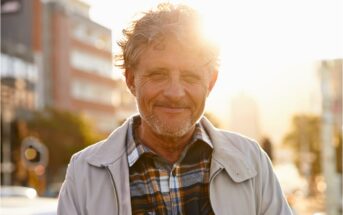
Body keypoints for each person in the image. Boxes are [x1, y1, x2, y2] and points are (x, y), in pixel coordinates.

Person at [57, 3, 292, 215]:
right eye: (158, 75)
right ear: (130, 80)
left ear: (210, 83)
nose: (175, 92)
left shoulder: (252, 161)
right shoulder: (83, 173)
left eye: (190, 77)